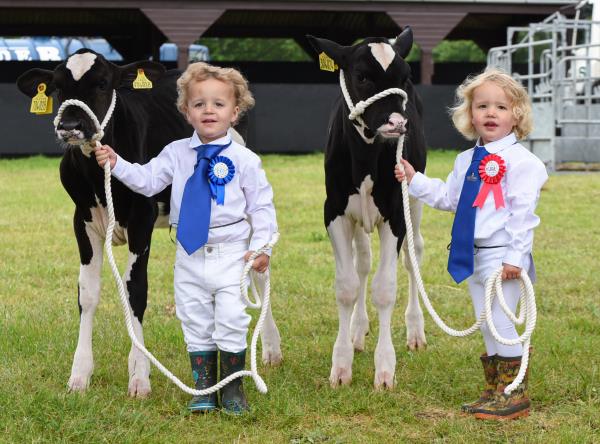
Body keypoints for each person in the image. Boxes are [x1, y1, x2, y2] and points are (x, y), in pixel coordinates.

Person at [95, 62, 277, 415]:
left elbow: (263, 208)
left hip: (232, 254)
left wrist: (263, 245)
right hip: (189, 256)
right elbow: (147, 181)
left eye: (219, 104)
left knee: (231, 318)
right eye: (199, 104)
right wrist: (117, 163)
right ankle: (204, 387)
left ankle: (233, 388)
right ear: (185, 112)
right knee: (194, 319)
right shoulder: (175, 154)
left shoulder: (245, 160)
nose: (209, 110)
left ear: (235, 112)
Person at [394, 68, 547, 420]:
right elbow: (449, 198)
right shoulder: (466, 161)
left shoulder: (522, 163)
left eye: (501, 107)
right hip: (472, 256)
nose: (490, 113)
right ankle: (495, 389)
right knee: (486, 321)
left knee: (502, 323)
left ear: (517, 115)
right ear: (469, 114)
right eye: (482, 106)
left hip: (502, 258)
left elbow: (524, 216)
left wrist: (515, 258)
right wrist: (415, 179)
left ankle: (514, 392)